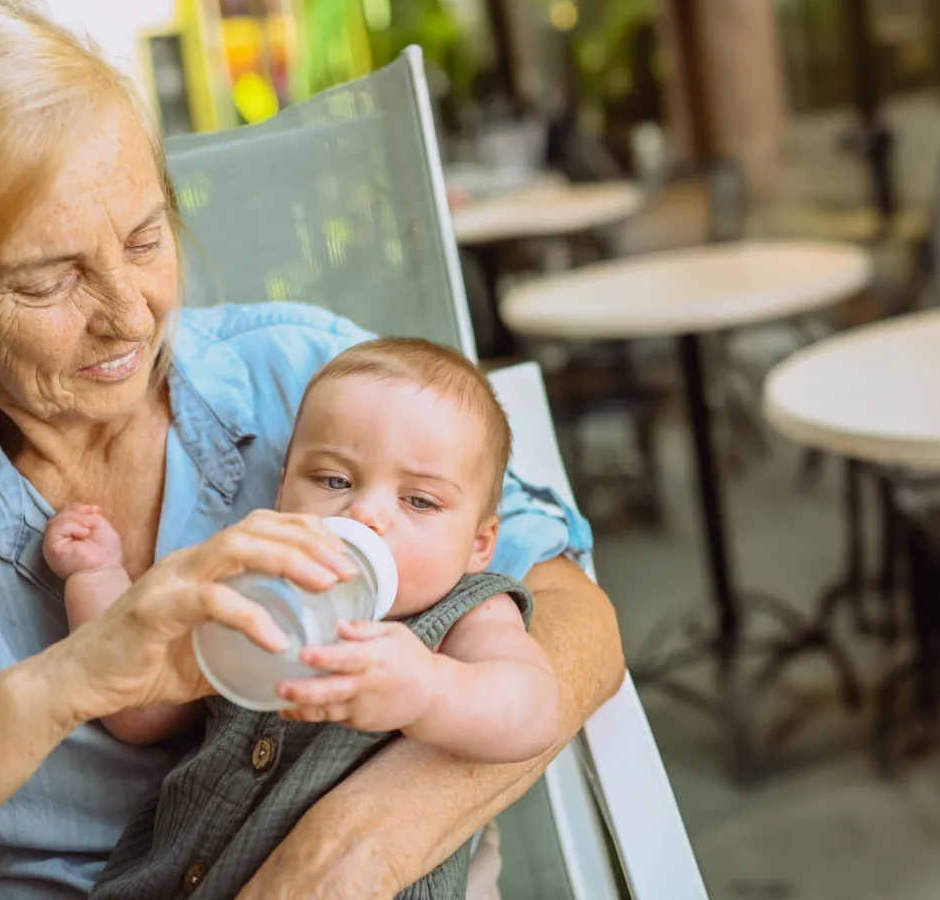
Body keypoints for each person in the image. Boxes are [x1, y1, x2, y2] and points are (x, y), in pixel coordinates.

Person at [0, 0, 623, 900]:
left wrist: (346, 852)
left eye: (143, 237)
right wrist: (67, 681)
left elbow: (575, 621)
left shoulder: (313, 381)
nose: (129, 318)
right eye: (48, 282)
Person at [45, 339, 558, 898]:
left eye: (420, 501)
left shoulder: (471, 612)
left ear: (480, 544)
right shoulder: (251, 586)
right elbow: (140, 710)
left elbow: (534, 709)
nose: (364, 513)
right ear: (284, 488)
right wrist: (96, 577)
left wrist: (432, 690)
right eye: (335, 481)